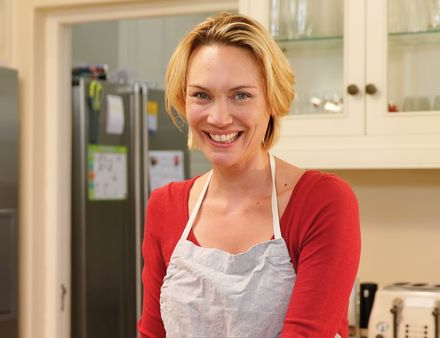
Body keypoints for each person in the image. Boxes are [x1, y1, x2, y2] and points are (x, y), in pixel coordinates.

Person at [138, 11, 361, 338]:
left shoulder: (323, 202)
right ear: (183, 102)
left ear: (272, 100)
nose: (219, 117)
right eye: (201, 95)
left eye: (240, 95)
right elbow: (152, 334)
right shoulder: (165, 206)